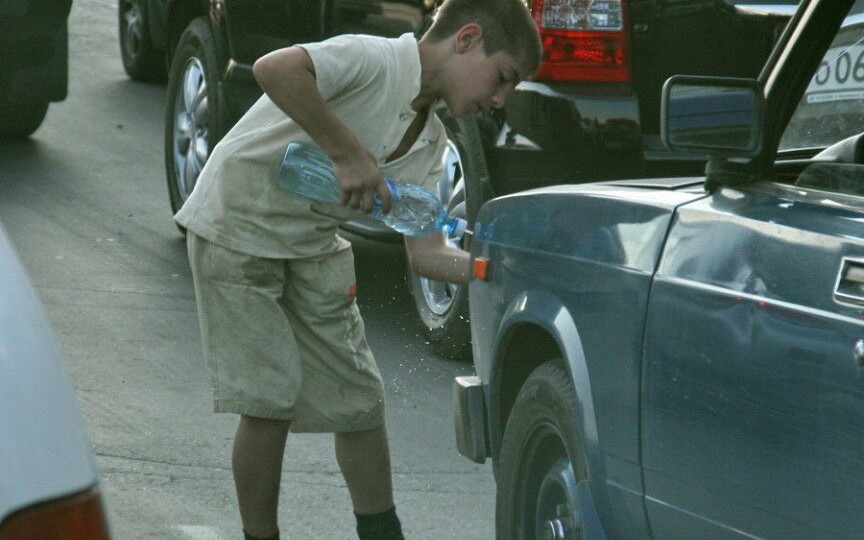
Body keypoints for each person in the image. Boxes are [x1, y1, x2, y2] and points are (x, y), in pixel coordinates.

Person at [174, 0, 541, 538]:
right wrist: (346, 152)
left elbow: (427, 255)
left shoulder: (432, 142)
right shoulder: (374, 60)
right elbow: (275, 68)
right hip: (239, 223)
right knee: (270, 399)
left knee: (359, 400)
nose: (499, 98)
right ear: (465, 39)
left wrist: (498, 272)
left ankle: (381, 532)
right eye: (502, 77)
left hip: (312, 240)